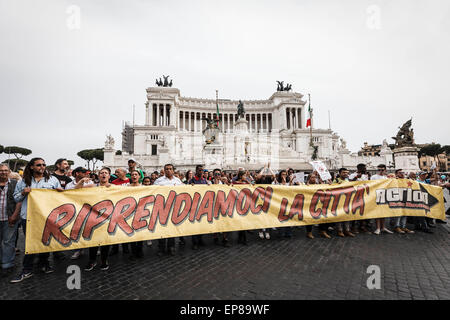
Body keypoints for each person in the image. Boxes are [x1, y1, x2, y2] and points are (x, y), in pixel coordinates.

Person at [11, 158, 63, 283]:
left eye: (44, 164)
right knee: (31, 243)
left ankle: (44, 264)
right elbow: (16, 198)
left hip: (47, 216)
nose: (42, 166)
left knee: (45, 241)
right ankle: (26, 270)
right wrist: (23, 192)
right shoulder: (23, 181)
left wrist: (60, 193)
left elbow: (61, 197)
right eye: (39, 165)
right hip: (28, 217)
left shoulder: (53, 180)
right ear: (32, 167)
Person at [84, 167, 113, 271]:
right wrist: (82, 181)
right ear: (98, 175)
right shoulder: (93, 186)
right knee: (93, 240)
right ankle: (92, 260)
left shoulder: (114, 187)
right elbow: (76, 190)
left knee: (105, 240)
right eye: (101, 173)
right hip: (93, 216)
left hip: (108, 217)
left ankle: (104, 260)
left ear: (109, 175)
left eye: (105, 173)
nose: (103, 174)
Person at [153, 164, 184, 255]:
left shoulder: (177, 181)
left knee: (172, 229)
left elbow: (184, 190)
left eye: (170, 169)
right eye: (166, 169)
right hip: (162, 207)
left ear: (173, 170)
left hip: (174, 207)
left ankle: (171, 247)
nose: (168, 170)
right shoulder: (158, 181)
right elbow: (153, 192)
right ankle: (161, 248)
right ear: (164, 170)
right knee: (162, 229)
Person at [65, 167, 94, 260]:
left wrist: (80, 186)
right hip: (75, 210)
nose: (86, 173)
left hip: (88, 209)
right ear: (77, 173)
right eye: (84, 172)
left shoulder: (90, 182)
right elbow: (68, 195)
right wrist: (81, 183)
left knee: (89, 230)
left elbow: (91, 188)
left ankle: (92, 248)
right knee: (76, 230)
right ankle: (78, 250)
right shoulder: (69, 185)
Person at [0, 164, 21, 275]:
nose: (3, 172)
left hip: (9, 217)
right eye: (1, 170)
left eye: (5, 170)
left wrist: (14, 215)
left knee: (8, 242)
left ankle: (7, 265)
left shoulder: (14, 183)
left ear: (9, 172)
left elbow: (19, 201)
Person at [188, 165, 209, 249]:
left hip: (202, 205)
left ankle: (200, 239)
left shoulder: (204, 181)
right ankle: (195, 242)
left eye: (202, 170)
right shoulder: (192, 181)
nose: (201, 172)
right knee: (195, 225)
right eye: (199, 170)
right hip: (194, 205)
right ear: (196, 171)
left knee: (201, 224)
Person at [306, 171, 332, 239]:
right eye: (312, 177)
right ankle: (309, 232)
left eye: (315, 177)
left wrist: (329, 184)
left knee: (323, 217)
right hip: (310, 204)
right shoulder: (305, 185)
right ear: (309, 178)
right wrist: (307, 186)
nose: (314, 179)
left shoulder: (319, 184)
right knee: (309, 219)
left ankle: (322, 231)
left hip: (320, 204)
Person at [371, 164, 393, 235]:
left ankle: (383, 227)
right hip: (376, 195)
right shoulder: (373, 177)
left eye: (382, 170)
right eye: (379, 170)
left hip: (385, 195)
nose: (380, 171)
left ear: (385, 170)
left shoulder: (386, 178)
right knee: (378, 213)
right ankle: (378, 228)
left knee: (384, 212)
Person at [348, 163, 371, 234]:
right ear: (359, 169)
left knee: (363, 211)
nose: (365, 169)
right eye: (364, 168)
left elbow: (369, 184)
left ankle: (362, 226)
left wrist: (369, 177)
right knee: (354, 211)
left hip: (364, 195)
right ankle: (353, 227)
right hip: (355, 196)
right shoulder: (352, 175)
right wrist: (356, 177)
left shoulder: (365, 175)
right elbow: (349, 183)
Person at [210, 168, 230, 247]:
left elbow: (229, 189)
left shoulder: (223, 183)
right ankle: (215, 237)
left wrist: (227, 182)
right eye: (216, 174)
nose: (217, 176)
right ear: (213, 175)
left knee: (224, 221)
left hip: (223, 205)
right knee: (215, 222)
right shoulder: (210, 182)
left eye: (218, 174)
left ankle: (225, 239)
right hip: (214, 205)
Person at [333, 168, 355, 237]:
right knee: (339, 216)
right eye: (343, 172)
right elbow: (332, 190)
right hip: (338, 201)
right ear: (339, 173)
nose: (345, 174)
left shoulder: (347, 181)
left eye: (346, 172)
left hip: (347, 200)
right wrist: (337, 185)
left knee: (347, 215)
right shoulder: (336, 180)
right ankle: (340, 230)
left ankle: (347, 230)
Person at [392, 169, 415, 234]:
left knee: (405, 213)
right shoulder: (394, 180)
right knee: (398, 213)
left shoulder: (406, 180)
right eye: (400, 173)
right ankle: (396, 227)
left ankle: (403, 226)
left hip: (405, 198)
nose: (402, 174)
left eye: (403, 172)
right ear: (396, 174)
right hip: (397, 198)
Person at [128, 170, 144, 260]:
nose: (134, 176)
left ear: (139, 176)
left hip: (141, 212)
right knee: (132, 233)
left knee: (140, 232)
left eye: (136, 174)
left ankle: (140, 250)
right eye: (132, 174)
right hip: (130, 213)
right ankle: (133, 252)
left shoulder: (143, 187)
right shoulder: (126, 187)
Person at [233, 170, 250, 245]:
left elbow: (252, 187)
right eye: (244, 175)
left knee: (244, 222)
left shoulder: (246, 183)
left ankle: (241, 238)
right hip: (237, 203)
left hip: (244, 203)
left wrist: (247, 181)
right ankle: (244, 239)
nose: (245, 177)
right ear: (240, 176)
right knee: (241, 222)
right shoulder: (235, 183)